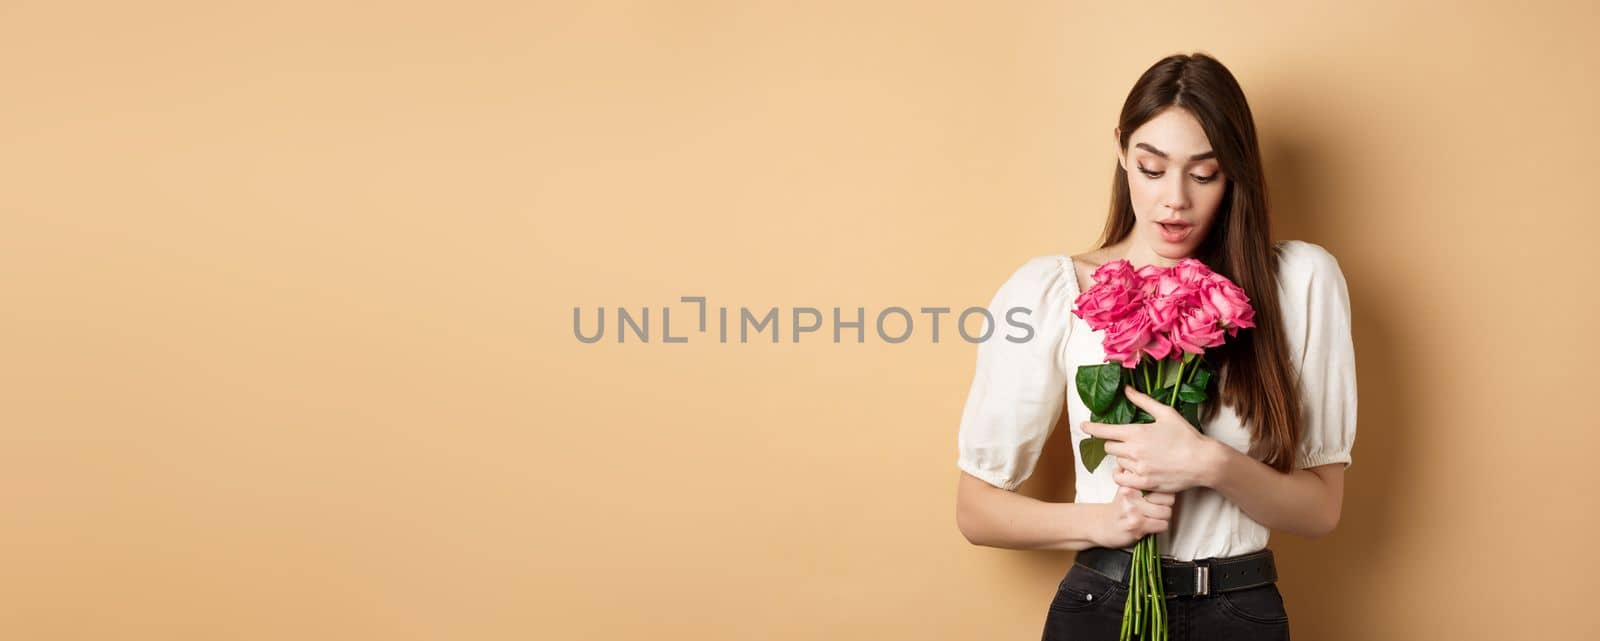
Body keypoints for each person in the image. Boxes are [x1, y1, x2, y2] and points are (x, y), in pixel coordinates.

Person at [953, 52, 1357, 641]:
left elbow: (1321, 511)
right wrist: (1106, 521)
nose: (1175, 200)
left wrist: (1209, 463)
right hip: (1101, 602)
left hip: (1239, 610)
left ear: (1235, 172)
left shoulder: (1299, 283)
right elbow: (976, 510)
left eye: (1203, 174)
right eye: (1151, 167)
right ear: (1122, 151)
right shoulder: (1051, 290)